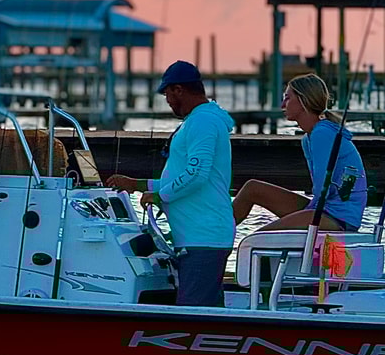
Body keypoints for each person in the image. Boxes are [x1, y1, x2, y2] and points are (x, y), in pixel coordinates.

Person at [106, 60, 234, 307]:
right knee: (209, 312)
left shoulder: (202, 122)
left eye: (167, 94)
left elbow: (196, 174)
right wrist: (139, 185)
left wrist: (158, 197)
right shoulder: (201, 120)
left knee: (192, 314)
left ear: (178, 90)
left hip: (203, 238)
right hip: (198, 237)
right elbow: (181, 178)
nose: (167, 100)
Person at [232, 73, 367, 232]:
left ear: (303, 101)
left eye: (287, 98)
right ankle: (213, 236)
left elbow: (324, 187)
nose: (282, 105)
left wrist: (304, 215)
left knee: (260, 236)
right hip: (322, 208)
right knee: (252, 188)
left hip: (339, 217)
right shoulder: (308, 138)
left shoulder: (322, 133)